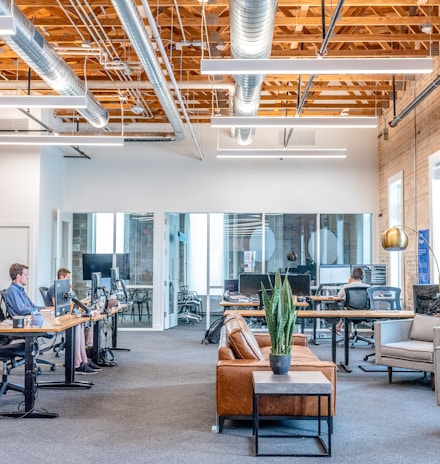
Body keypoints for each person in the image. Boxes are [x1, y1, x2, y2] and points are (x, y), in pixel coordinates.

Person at [47, 268, 101, 374]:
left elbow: (74, 304)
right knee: (77, 326)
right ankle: (77, 363)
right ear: (61, 277)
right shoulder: (55, 288)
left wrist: (71, 292)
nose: (69, 280)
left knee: (84, 323)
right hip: (57, 319)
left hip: (66, 316)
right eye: (68, 278)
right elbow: (57, 304)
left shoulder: (67, 289)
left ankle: (84, 359)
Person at [336, 267, 370, 333]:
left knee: (345, 309)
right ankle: (340, 327)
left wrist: (348, 284)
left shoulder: (346, 287)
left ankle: (346, 334)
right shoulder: (368, 287)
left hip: (350, 313)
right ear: (362, 277)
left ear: (352, 276)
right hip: (363, 313)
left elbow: (339, 296)